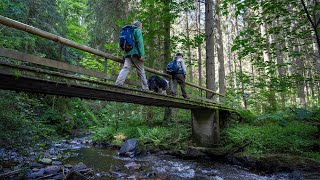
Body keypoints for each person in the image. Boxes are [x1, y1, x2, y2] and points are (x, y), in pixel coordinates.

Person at [115, 21, 148, 90]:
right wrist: (142, 55)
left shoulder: (129, 31)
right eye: (141, 26)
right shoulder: (137, 31)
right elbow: (140, 43)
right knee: (141, 70)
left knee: (125, 68)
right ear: (139, 26)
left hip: (127, 54)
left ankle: (118, 83)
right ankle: (145, 88)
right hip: (135, 54)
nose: (141, 28)